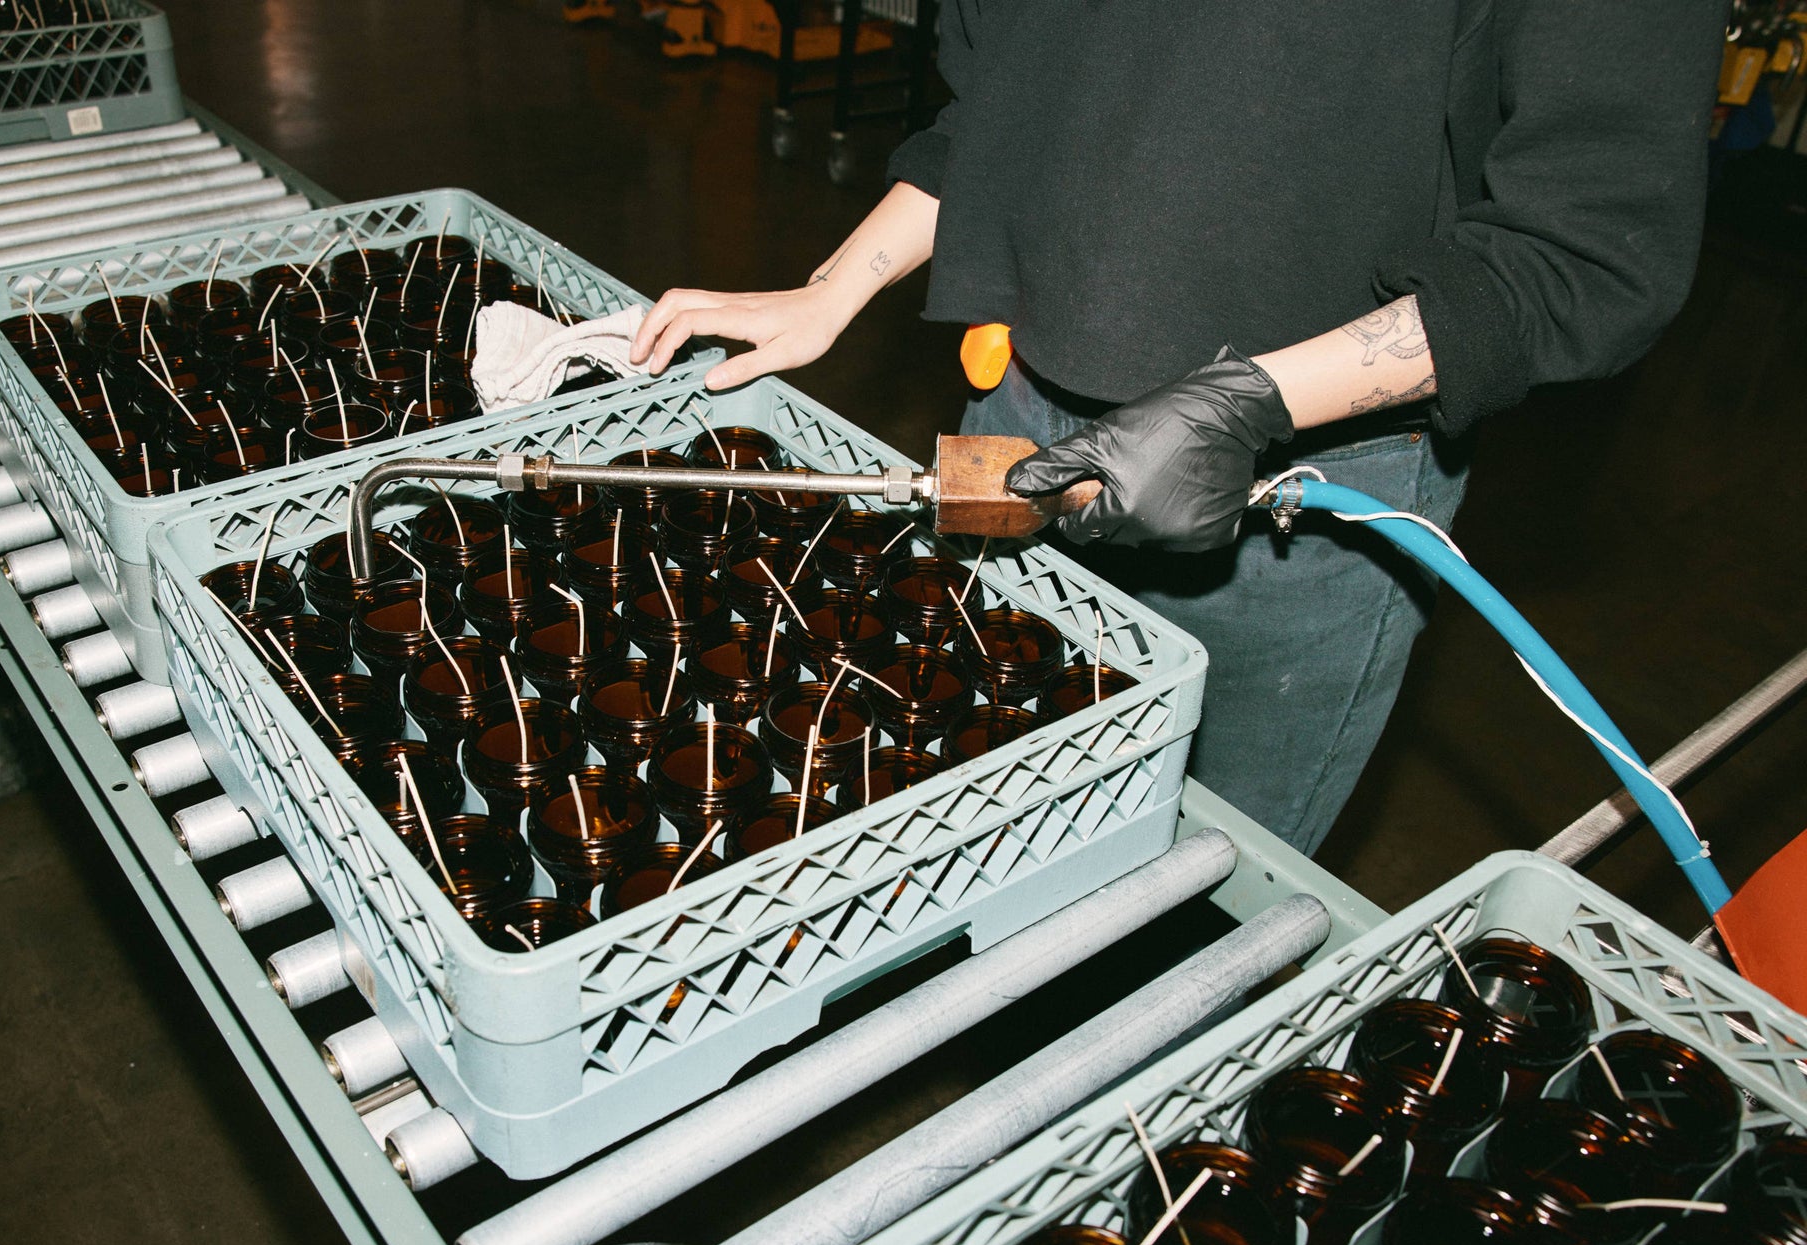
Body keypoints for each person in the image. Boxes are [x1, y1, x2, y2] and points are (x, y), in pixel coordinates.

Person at [630, 0, 1726, 854]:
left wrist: (1244, 403)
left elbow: (1584, 255)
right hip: (1020, 431)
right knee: (981, 842)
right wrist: (833, 285)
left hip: (1301, 508)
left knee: (1191, 913)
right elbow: (1004, 108)